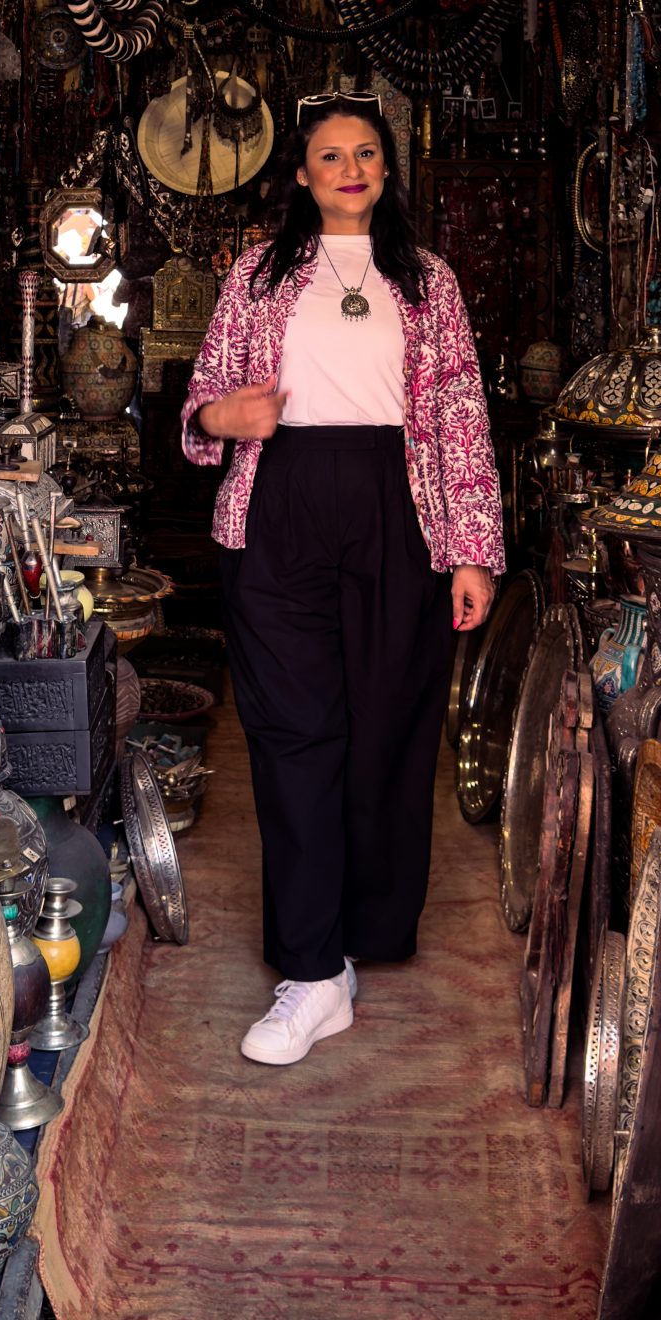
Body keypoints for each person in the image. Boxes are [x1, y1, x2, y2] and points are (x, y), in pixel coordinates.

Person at [182, 92, 504, 1067]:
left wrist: (473, 549)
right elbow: (202, 407)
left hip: (394, 515)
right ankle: (313, 970)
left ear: (387, 168)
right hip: (276, 516)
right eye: (331, 154)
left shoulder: (428, 282)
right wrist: (217, 421)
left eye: (367, 152)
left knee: (385, 730)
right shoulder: (257, 276)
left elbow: (457, 418)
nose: (352, 167)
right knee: (292, 732)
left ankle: (362, 929)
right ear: (303, 173)